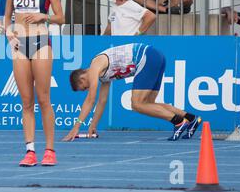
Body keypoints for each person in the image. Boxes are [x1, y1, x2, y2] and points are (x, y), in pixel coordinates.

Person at [63, 43, 202, 142]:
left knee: (136, 104)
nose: (87, 89)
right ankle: (191, 118)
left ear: (82, 78)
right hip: (155, 56)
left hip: (146, 57)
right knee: (147, 104)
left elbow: (90, 99)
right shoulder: (102, 76)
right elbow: (102, 101)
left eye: (84, 87)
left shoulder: (94, 66)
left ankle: (178, 122)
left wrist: (76, 127)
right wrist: (93, 125)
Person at [5, 0, 65, 166]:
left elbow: (61, 17)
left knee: (44, 99)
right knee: (26, 101)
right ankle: (30, 150)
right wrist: (8, 33)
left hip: (41, 43)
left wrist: (44, 16)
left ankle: (50, 150)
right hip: (20, 44)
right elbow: (7, 16)